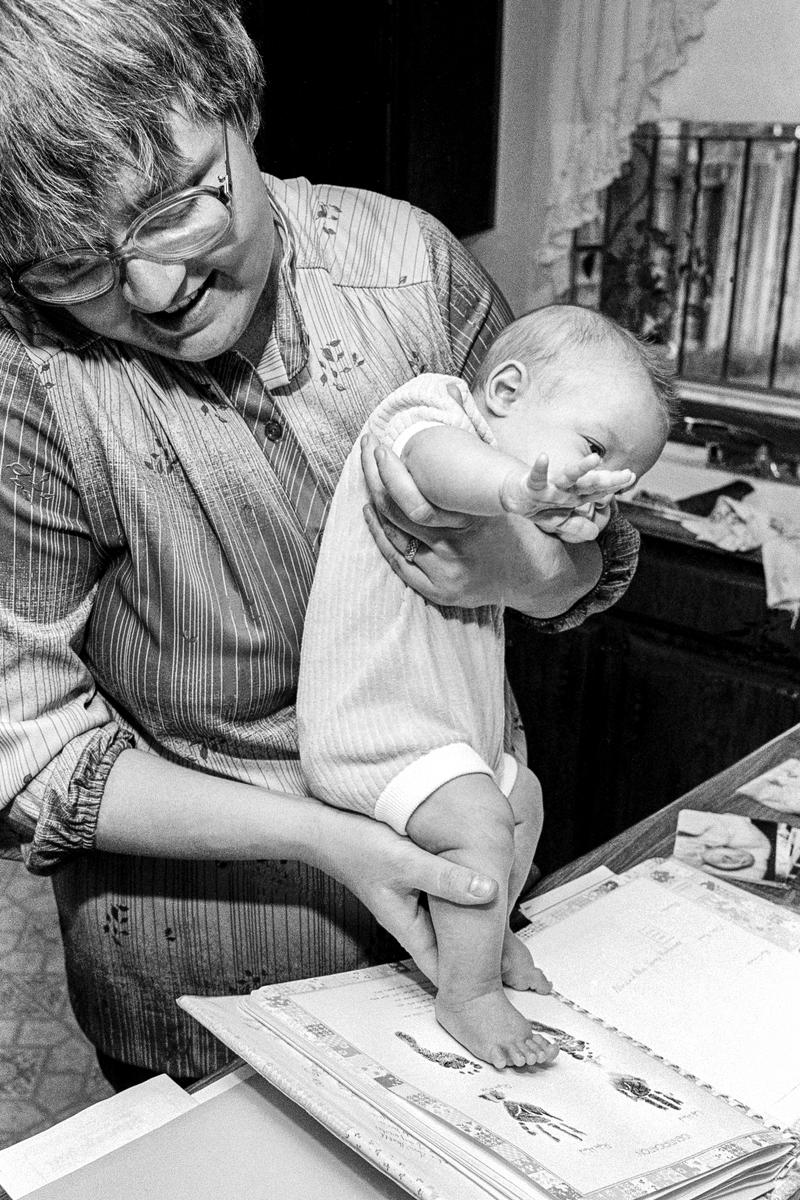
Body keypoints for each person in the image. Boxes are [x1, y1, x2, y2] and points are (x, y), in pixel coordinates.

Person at [0, 0, 642, 1088]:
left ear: (235, 103)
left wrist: (524, 567)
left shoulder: (406, 264)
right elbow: (26, 741)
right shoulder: (32, 381)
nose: (156, 291)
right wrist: (321, 836)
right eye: (74, 266)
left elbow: (587, 548)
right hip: (204, 972)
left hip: (472, 886)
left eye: (174, 208)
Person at [298, 306, 671, 1068]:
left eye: (619, 479)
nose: (598, 487)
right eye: (592, 449)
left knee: (522, 800)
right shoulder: (431, 410)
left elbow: (577, 573)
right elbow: (434, 465)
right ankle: (465, 995)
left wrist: (566, 523)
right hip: (373, 724)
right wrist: (515, 491)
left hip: (449, 734)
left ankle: (492, 942)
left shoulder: (530, 507)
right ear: (504, 389)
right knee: (479, 825)